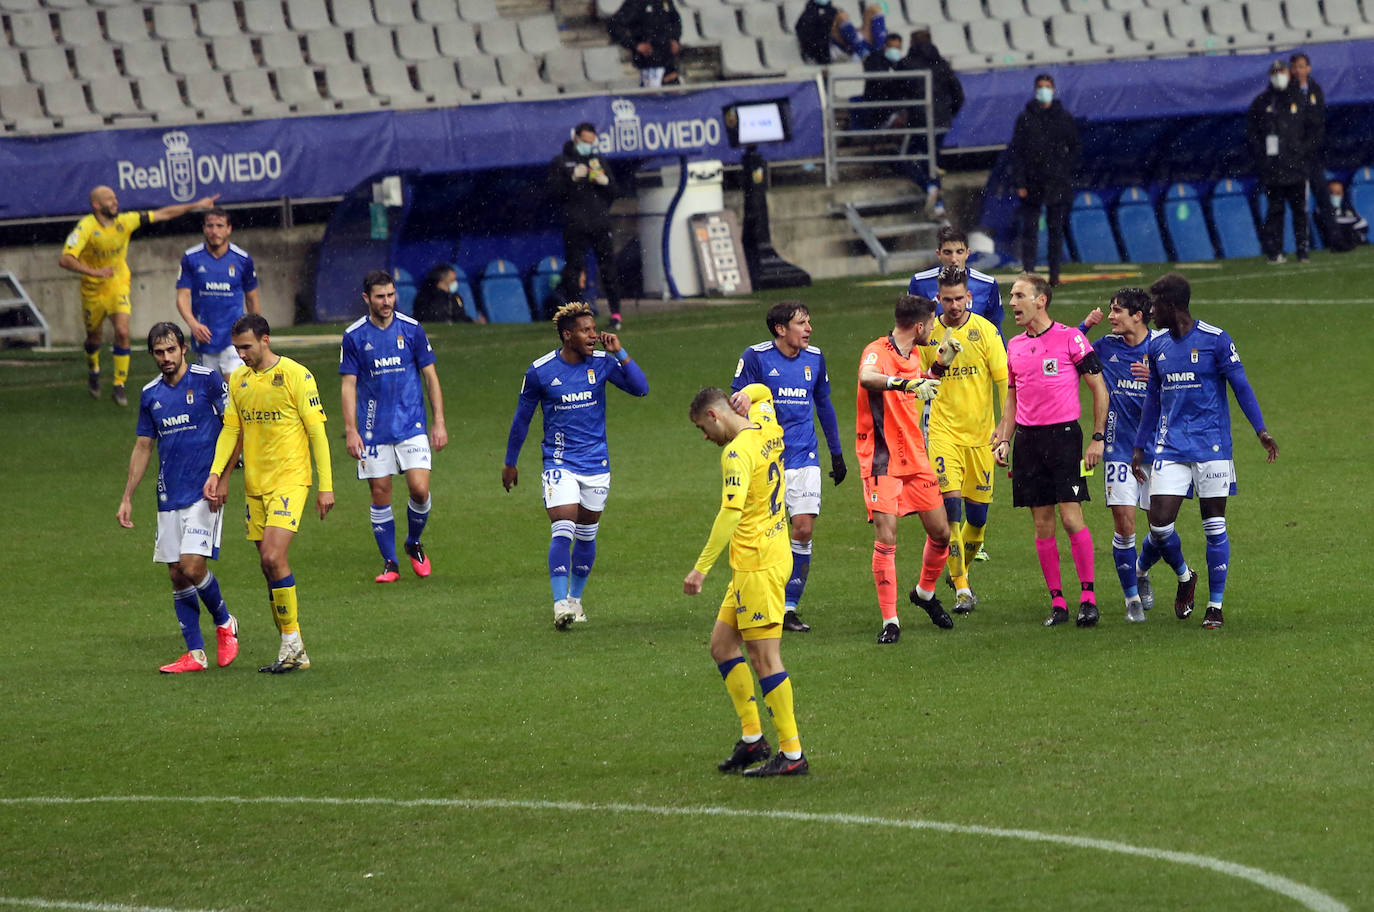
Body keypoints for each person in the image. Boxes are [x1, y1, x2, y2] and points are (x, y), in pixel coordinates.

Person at [1130, 273, 1278, 630]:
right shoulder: (1158, 345)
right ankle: (1185, 575)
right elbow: (1153, 398)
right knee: (1160, 523)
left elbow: (1241, 386)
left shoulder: (1215, 340)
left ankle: (1215, 606)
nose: (1150, 311)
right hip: (1171, 446)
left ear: (1172, 305)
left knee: (1214, 526)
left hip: (1212, 446)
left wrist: (1261, 430)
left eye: (1155, 304)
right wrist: (1139, 445)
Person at [683, 384, 808, 777]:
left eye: (703, 429)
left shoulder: (735, 453)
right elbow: (765, 392)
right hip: (763, 559)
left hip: (759, 566)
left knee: (765, 658)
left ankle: (792, 755)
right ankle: (754, 740)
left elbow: (730, 515)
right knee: (722, 647)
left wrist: (701, 568)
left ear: (714, 415)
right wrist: (749, 394)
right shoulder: (765, 423)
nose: (705, 438)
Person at [502, 302, 649, 629]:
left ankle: (576, 599)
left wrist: (620, 352)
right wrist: (510, 462)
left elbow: (641, 389)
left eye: (594, 329)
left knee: (586, 534)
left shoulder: (602, 363)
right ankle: (559, 604)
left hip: (596, 462)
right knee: (563, 526)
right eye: (586, 330)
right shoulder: (540, 371)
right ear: (567, 335)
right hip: (559, 462)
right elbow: (521, 420)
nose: (594, 335)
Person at [203, 314, 333, 673]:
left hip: (290, 480)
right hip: (256, 487)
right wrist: (217, 473)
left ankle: (292, 644)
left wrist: (326, 486)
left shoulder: (296, 375)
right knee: (267, 567)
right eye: (237, 348)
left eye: (246, 347)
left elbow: (318, 433)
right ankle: (293, 647)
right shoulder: (240, 380)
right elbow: (231, 430)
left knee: (274, 558)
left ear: (265, 340)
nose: (241, 354)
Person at [117, 322, 240, 674]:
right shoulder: (150, 394)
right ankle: (195, 654)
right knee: (175, 574)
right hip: (168, 493)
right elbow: (144, 445)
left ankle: (224, 621)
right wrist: (127, 496)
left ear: (183, 348)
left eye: (171, 350)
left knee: (192, 566)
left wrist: (225, 478)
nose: (166, 358)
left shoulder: (208, 380)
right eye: (159, 352)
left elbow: (235, 427)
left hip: (205, 489)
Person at [991, 273, 1108, 628]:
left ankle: (1088, 598)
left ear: (1040, 300)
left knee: (1072, 518)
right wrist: (1005, 437)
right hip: (1028, 442)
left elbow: (1099, 390)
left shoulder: (1071, 339)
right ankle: (1058, 601)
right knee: (1042, 525)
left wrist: (1098, 437)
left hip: (1064, 439)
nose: (1011, 303)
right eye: (1011, 296)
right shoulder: (1013, 346)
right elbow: (1013, 396)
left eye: (1018, 295)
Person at [730, 301, 845, 633]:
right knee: (766, 536)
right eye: (801, 323)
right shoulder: (755, 357)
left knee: (804, 529)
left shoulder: (815, 358)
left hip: (804, 455)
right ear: (781, 329)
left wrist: (836, 453)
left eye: (809, 321)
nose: (809, 328)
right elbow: (737, 405)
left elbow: (823, 404)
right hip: (767, 459)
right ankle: (757, 599)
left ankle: (789, 607)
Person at [856, 293, 959, 643]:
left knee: (941, 533)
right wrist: (907, 382)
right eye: (932, 323)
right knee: (887, 538)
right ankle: (891, 621)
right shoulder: (876, 351)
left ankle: (924, 594)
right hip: (881, 459)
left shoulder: (914, 354)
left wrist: (939, 368)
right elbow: (869, 378)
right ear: (918, 326)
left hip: (914, 457)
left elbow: (915, 389)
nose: (934, 328)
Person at [59, 185, 219, 406]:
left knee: (123, 331)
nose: (115, 201)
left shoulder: (126, 221)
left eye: (115, 197)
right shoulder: (86, 227)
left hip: (117, 285)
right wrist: (94, 272)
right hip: (92, 291)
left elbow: (163, 214)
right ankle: (93, 368)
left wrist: (197, 205)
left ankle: (119, 384)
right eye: (109, 199)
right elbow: (65, 259)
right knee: (94, 338)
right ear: (96, 205)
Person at [340, 270, 449, 584]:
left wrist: (438, 421)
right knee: (380, 493)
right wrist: (351, 429)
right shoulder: (354, 336)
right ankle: (390, 563)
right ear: (367, 299)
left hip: (411, 424)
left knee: (419, 488)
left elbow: (430, 377)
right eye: (379, 297)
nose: (386, 302)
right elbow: (348, 385)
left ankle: (413, 541)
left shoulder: (412, 330)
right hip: (373, 428)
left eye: (390, 295)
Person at [915, 267, 1007, 614]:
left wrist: (1003, 431)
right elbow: (919, 382)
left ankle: (958, 571)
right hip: (943, 434)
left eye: (959, 298)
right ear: (938, 298)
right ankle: (962, 588)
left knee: (978, 518)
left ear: (969, 297)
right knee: (951, 509)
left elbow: (1003, 383)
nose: (953, 305)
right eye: (946, 299)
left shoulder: (985, 332)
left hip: (981, 437)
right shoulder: (929, 334)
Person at [1078, 289, 1155, 622]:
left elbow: (1188, 387)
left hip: (1158, 449)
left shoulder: (1161, 348)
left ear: (1137, 315)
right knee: (1125, 525)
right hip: (1118, 448)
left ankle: (1141, 569)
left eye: (1117, 311)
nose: (1110, 316)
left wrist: (1158, 379)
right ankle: (1131, 599)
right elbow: (1066, 350)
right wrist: (1084, 325)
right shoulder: (1106, 347)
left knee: (1161, 530)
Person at [550, 123, 625, 331]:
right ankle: (574, 316)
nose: (589, 146)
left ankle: (616, 314)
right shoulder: (561, 162)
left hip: (599, 224)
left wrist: (605, 182)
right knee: (573, 270)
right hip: (575, 225)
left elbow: (614, 191)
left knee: (608, 267)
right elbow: (553, 193)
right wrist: (572, 179)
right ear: (576, 138)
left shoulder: (598, 160)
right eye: (585, 142)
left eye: (592, 142)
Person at [1009, 74, 1080, 287]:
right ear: (1034, 89)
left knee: (1055, 230)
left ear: (1054, 89)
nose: (1043, 91)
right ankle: (1029, 273)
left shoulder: (1063, 117)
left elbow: (1075, 147)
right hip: (1031, 182)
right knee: (1030, 230)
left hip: (1056, 182)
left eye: (1047, 87)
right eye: (1040, 87)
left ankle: (1055, 275)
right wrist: (1020, 182)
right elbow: (1017, 152)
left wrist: (1063, 169)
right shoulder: (1025, 118)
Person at [175, 207, 261, 379]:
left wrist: (256, 333)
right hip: (204, 338)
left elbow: (252, 298)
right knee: (210, 394)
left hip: (234, 338)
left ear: (229, 229)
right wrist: (193, 324)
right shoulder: (191, 258)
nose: (214, 231)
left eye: (220, 226)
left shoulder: (242, 259)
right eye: (210, 226)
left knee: (235, 387)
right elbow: (182, 296)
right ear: (204, 228)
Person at [1247, 60, 1310, 264]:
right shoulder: (1262, 101)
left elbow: (1312, 129)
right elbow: (1253, 134)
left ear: (1288, 73)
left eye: (1281, 71)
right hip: (1273, 169)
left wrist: (1302, 152)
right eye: (1274, 72)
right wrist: (1263, 158)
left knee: (1299, 210)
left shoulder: (1299, 99)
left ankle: (1302, 250)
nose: (1277, 75)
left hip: (1296, 167)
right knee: (1275, 211)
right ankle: (1275, 251)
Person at [899, 29, 964, 216]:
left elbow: (896, 89)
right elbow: (959, 94)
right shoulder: (942, 64)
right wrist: (949, 115)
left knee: (908, 158)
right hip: (942, 122)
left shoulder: (907, 64)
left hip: (920, 121)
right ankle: (938, 206)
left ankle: (930, 189)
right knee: (931, 162)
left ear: (911, 43)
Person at [907, 225, 1004, 336]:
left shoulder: (987, 284)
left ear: (968, 253)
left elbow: (995, 328)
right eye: (948, 252)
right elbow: (909, 326)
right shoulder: (920, 283)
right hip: (933, 351)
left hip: (974, 351)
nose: (953, 259)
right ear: (939, 254)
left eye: (959, 252)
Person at [1290, 53, 1329, 234]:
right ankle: (1301, 242)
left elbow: (1319, 122)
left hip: (1312, 153)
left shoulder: (1315, 90)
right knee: (1298, 200)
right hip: (1294, 155)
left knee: (1323, 195)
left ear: (1308, 68)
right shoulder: (1287, 92)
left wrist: (1310, 146)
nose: (1298, 70)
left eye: (1301, 66)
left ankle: (1334, 237)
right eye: (1295, 67)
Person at [608, 0, 682, 88]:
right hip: (647, 59)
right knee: (652, 96)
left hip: (667, 56)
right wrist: (635, 45)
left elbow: (676, 20)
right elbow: (614, 25)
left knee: (674, 93)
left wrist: (675, 38)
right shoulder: (636, 3)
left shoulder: (665, 1)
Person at [795, 0, 886, 65]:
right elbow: (809, 40)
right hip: (832, 50)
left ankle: (875, 51)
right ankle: (866, 54)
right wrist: (831, 32)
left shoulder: (833, 10)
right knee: (842, 17)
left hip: (850, 44)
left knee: (874, 9)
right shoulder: (808, 15)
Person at [858, 33, 907, 130]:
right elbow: (880, 83)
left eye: (897, 47)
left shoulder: (902, 62)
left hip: (897, 105)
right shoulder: (873, 60)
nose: (894, 50)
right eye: (891, 47)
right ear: (885, 46)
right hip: (878, 107)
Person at [412, 263, 482, 324]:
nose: (455, 283)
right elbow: (428, 318)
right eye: (452, 280)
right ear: (441, 281)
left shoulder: (455, 297)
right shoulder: (426, 297)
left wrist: (473, 322)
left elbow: (461, 317)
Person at [1325, 179, 1367, 252]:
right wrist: (1350, 224)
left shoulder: (1346, 206)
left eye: (1338, 193)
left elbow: (1364, 226)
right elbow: (1328, 227)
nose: (1335, 196)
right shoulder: (1323, 209)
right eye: (1332, 193)